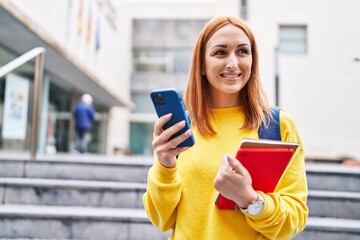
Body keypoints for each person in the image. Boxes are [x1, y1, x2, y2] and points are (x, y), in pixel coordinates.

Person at [143, 16, 308, 240]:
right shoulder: (182, 128)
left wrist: (249, 199)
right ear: (201, 64)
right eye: (220, 52)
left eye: (242, 51)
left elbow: (294, 220)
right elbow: (161, 220)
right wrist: (164, 165)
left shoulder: (277, 125)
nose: (233, 63)